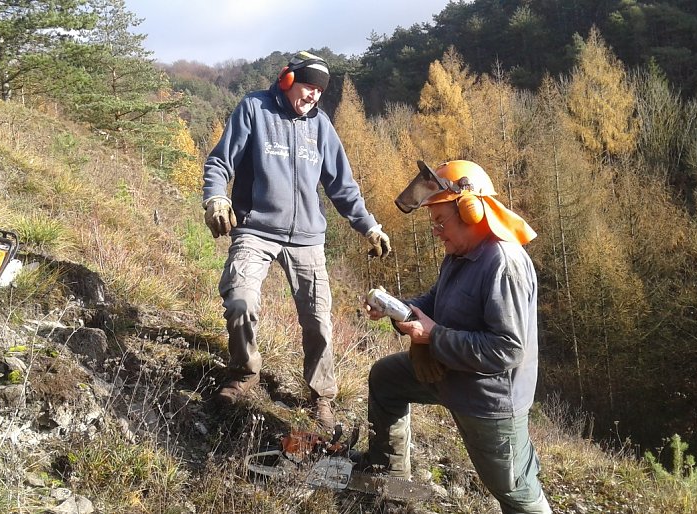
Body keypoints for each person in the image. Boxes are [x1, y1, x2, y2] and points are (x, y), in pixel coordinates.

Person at [203, 50, 391, 431]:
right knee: (240, 300)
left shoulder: (321, 126)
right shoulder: (255, 109)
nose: (313, 96)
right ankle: (244, 372)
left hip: (307, 237)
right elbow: (221, 161)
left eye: (320, 91)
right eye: (308, 87)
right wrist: (216, 196)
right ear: (288, 81)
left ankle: (321, 396)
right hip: (255, 228)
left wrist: (368, 226)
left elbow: (343, 186)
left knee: (319, 321)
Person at [363, 160, 551, 513]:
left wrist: (433, 338)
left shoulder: (503, 264)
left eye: (440, 221)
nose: (436, 231)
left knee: (516, 492)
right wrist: (398, 309)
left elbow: (507, 350)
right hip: (448, 373)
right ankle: (390, 479)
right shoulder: (459, 253)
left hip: (489, 400)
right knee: (386, 379)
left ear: (471, 211)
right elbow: (436, 301)